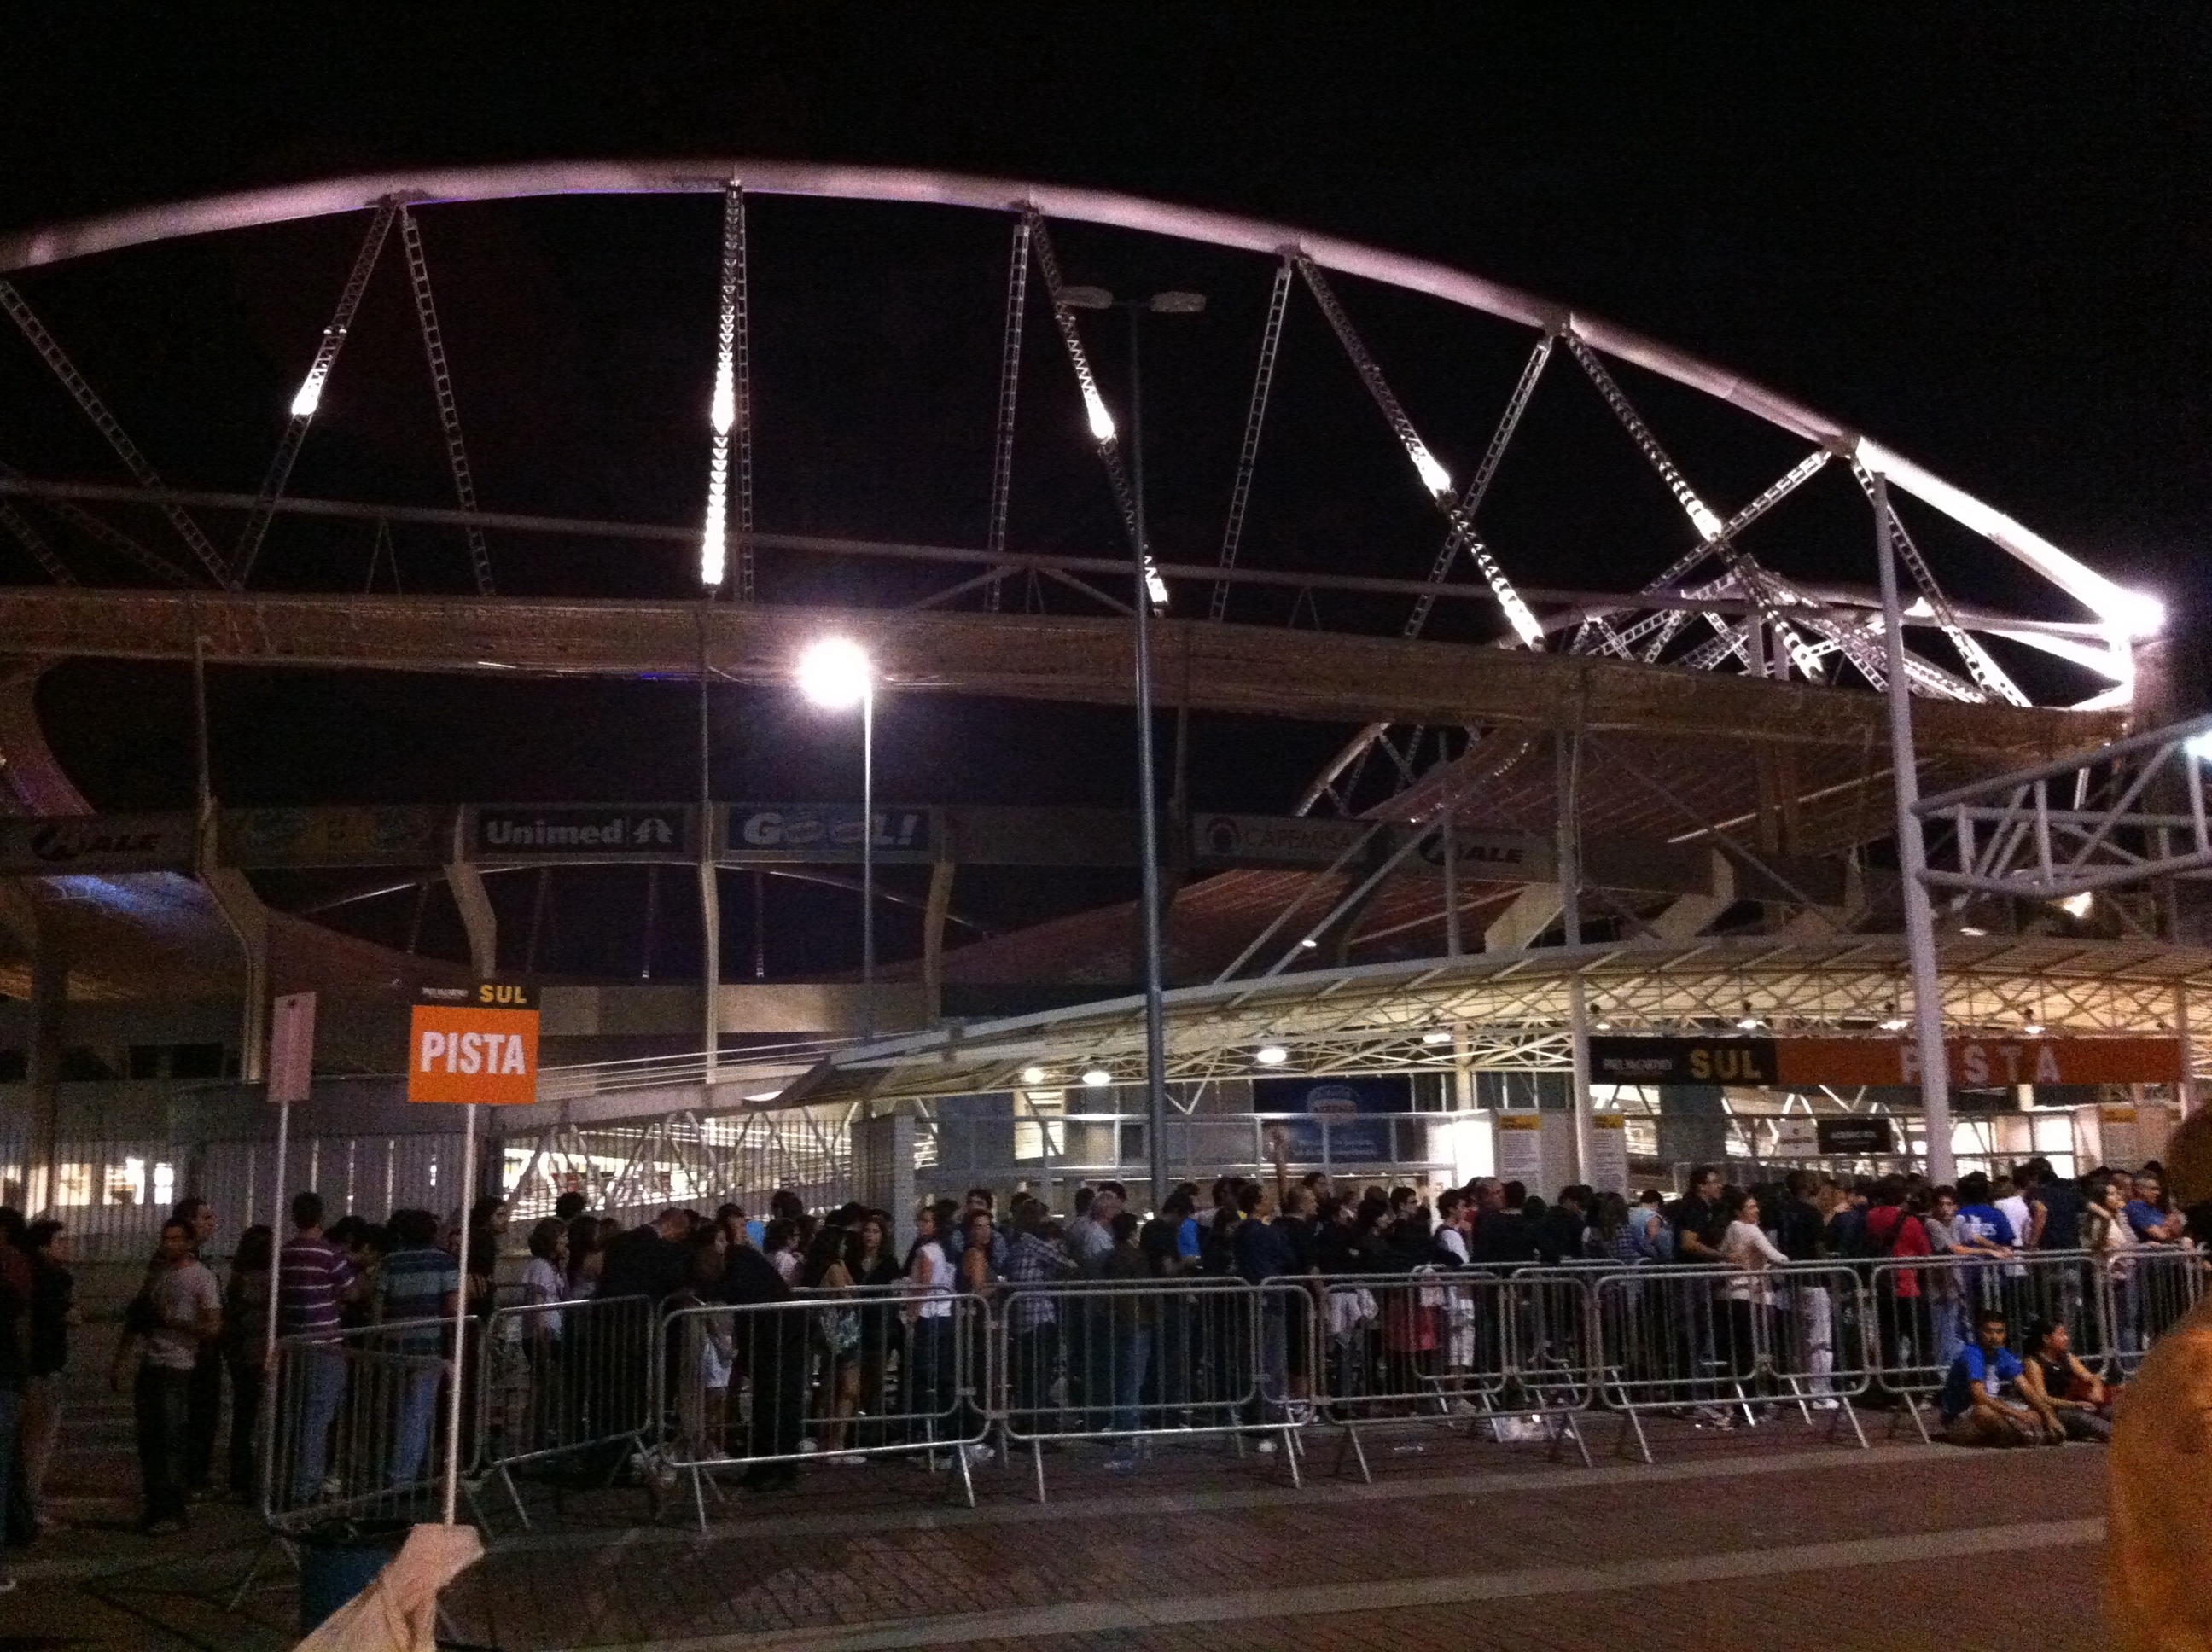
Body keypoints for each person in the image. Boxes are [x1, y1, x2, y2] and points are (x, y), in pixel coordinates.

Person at [114, 1218, 220, 1533]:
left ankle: (172, 1510)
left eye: (176, 1239)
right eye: (166, 1239)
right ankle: (156, 1505)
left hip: (177, 1367)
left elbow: (213, 1327)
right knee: (150, 1440)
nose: (169, 1245)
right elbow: (139, 1318)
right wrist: (121, 1360)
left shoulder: (201, 1278)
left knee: (170, 1440)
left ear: (189, 1243)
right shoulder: (159, 1276)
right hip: (151, 1364)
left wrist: (174, 1322)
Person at [276, 1190, 358, 1508]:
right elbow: (351, 1293)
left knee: (298, 1412)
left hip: (294, 1340)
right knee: (319, 1415)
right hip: (325, 1343)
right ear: (320, 1216)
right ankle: (306, 1486)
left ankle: (292, 1478)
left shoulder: (286, 1253)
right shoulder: (329, 1253)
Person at [377, 1208, 461, 1486]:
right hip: (428, 1343)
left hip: (394, 1341)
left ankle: (413, 1466)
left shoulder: (389, 1262)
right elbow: (453, 1306)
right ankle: (402, 1475)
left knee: (400, 1408)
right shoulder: (444, 1262)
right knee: (419, 1408)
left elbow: (378, 1304)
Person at [20, 1219, 74, 1532]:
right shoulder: (49, 1278)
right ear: (43, 1246)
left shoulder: (29, 1274)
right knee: (37, 1444)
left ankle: (25, 1504)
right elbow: (64, 1315)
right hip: (43, 1368)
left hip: (33, 1367)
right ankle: (29, 1507)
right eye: (60, 1241)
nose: (67, 1246)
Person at [1937, 1309, 2047, 1446]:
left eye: (1999, 1332)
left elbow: (2026, 1388)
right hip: (1959, 1418)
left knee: (2034, 1413)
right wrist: (2017, 1415)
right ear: (1979, 1332)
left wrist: (2047, 1415)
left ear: (2005, 1334)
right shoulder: (1972, 1354)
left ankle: (2016, 1435)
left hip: (1990, 1407)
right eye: (1988, 1331)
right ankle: (2013, 1435)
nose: (1994, 1336)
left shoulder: (2002, 1354)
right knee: (1985, 1412)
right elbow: (1980, 1396)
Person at [218, 1224, 271, 1504]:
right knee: (255, 1419)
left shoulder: (240, 1279)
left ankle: (242, 1480)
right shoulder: (268, 1280)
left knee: (245, 1419)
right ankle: (251, 1479)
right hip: (257, 1354)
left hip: (246, 1355)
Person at [1716, 1188, 1788, 1385]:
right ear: (1739, 1212)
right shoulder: (1751, 1229)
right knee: (1757, 1346)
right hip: (1750, 1295)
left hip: (1730, 1294)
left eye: (1756, 1206)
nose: (1756, 1210)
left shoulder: (1731, 1228)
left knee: (1738, 1348)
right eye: (1750, 1207)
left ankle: (1738, 1390)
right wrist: (1790, 1263)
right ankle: (1757, 1389)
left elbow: (1721, 1257)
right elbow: (1775, 1256)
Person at [2017, 1317, 2114, 1442]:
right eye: (2061, 1335)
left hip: (2077, 1405)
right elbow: (2041, 1397)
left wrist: (2097, 1389)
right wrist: (2075, 1404)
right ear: (2046, 1339)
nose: (2066, 1338)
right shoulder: (2033, 1363)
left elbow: (2090, 1377)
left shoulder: (2067, 1357)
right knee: (2089, 1422)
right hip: (2057, 1410)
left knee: (2111, 1411)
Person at [1665, 1166, 1729, 1263]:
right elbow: (1689, 1243)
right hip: (1691, 1265)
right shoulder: (1693, 1208)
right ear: (1701, 1186)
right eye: (1715, 1182)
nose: (1720, 1186)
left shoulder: (1708, 1208)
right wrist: (1721, 1256)